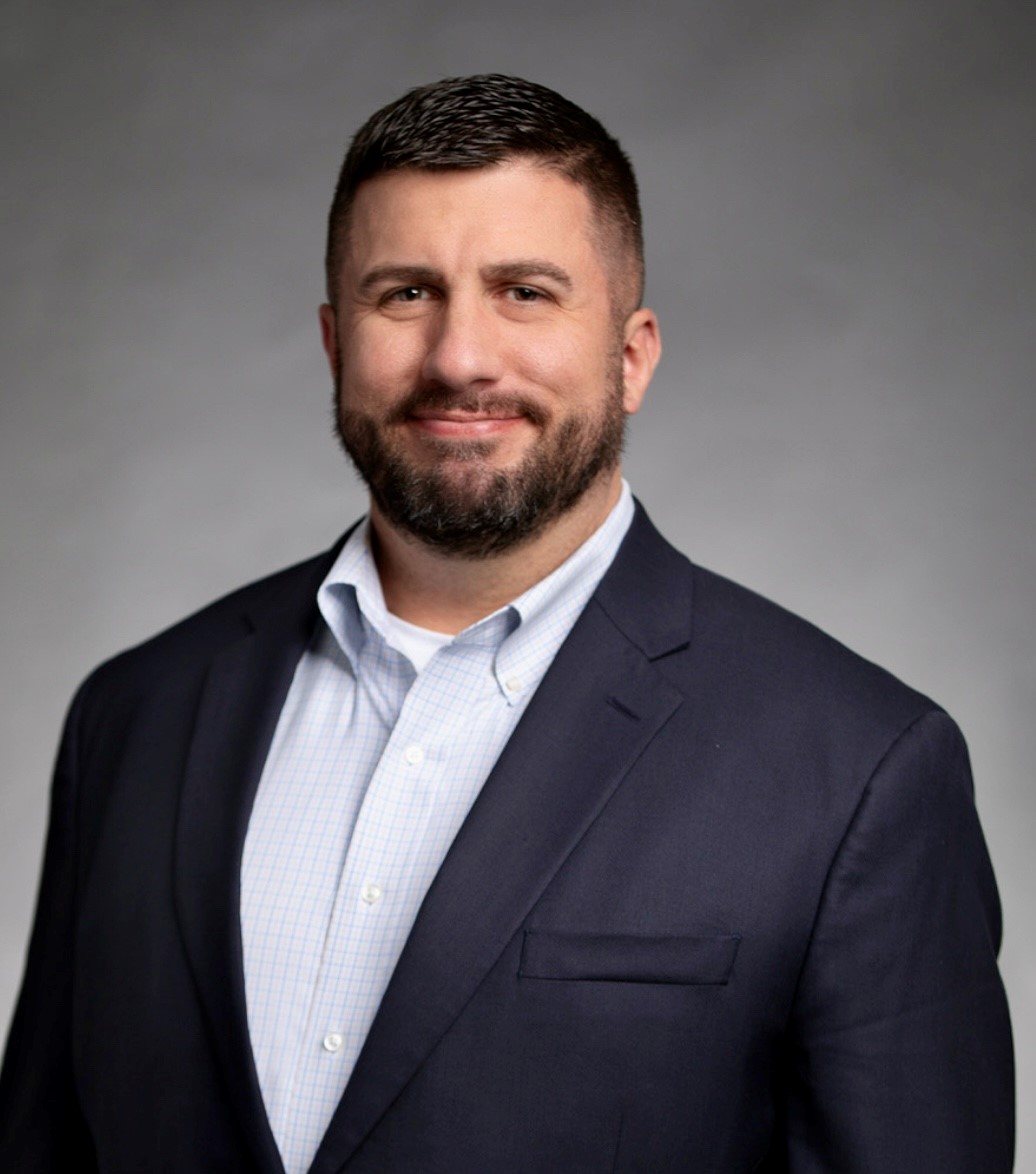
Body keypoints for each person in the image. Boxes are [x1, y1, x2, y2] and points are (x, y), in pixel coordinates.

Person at [0, 74, 1014, 1173]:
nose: (459, 358)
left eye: (525, 292)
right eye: (405, 294)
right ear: (336, 343)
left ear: (631, 356)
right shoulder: (136, 715)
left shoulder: (859, 768)